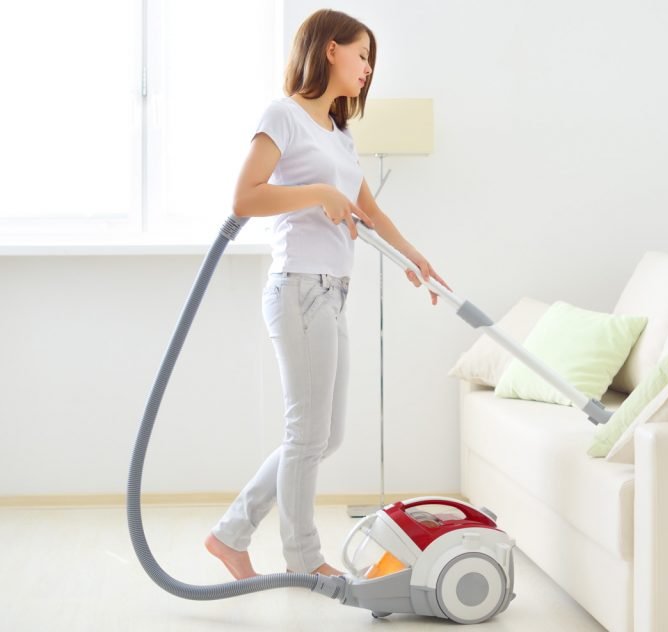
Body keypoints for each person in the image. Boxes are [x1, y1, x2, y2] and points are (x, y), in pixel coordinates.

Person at [204, 8, 449, 579]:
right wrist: (316, 192)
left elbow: (370, 211)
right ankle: (303, 559)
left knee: (323, 435)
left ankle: (231, 533)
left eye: (370, 61)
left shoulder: (339, 134)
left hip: (334, 293)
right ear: (330, 50)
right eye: (362, 55)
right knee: (306, 433)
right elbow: (245, 198)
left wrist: (414, 258)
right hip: (298, 288)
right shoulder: (283, 116)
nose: (368, 69)